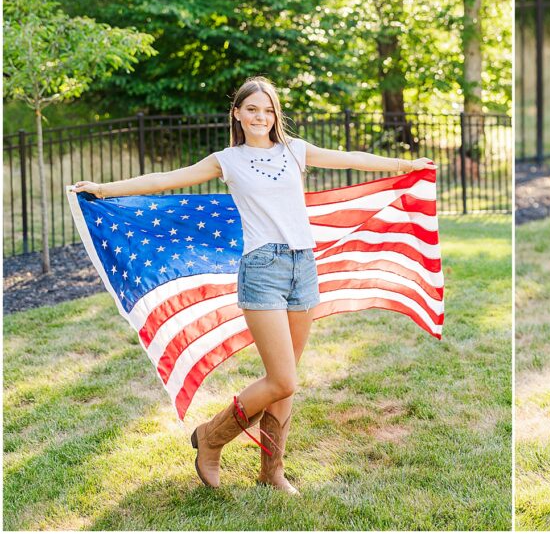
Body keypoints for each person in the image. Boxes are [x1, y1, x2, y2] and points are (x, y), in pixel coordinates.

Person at [72, 76, 432, 494]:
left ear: (276, 115)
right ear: (238, 114)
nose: (261, 117)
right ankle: (210, 438)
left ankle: (271, 472)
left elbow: (350, 157)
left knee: (287, 377)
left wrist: (404, 166)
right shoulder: (227, 160)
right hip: (262, 269)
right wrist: (104, 189)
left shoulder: (295, 151)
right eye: (253, 110)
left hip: (303, 267)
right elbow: (165, 179)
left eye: (268, 110)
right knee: (283, 380)